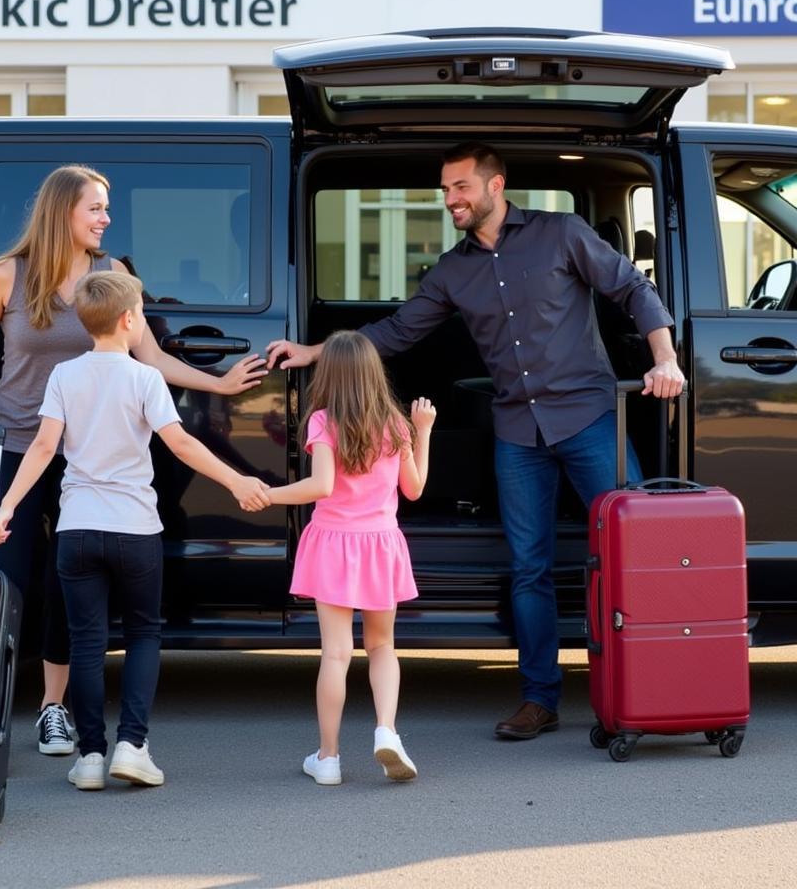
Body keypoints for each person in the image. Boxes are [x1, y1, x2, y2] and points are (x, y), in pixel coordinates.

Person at [266, 143, 685, 742]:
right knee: (528, 568)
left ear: (496, 186)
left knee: (631, 555)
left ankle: (648, 689)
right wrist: (315, 352)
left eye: (460, 187)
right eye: (444, 190)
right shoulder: (452, 270)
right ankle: (540, 699)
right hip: (516, 429)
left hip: (591, 418)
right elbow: (399, 329)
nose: (450, 200)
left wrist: (663, 358)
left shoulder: (561, 233)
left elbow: (632, 290)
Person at [0, 164, 267, 756]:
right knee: (7, 580)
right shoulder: (8, 276)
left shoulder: (112, 274)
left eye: (105, 208)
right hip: (17, 445)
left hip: (82, 457)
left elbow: (146, 355)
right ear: (62, 212)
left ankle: (52, 707)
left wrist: (217, 386)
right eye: (95, 208)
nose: (106, 218)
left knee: (63, 584)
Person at [0, 270, 270, 790]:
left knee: (87, 642)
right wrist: (236, 480)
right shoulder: (145, 379)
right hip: (135, 530)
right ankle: (132, 746)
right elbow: (181, 445)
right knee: (142, 633)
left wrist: (5, 508)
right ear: (130, 319)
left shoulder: (64, 377)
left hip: (77, 531)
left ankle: (90, 756)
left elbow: (43, 450)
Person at [262, 330, 435, 785]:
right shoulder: (396, 425)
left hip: (335, 545)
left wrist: (268, 494)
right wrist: (423, 432)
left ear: (331, 377)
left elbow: (319, 487)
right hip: (380, 545)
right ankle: (387, 731)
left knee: (336, 654)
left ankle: (329, 758)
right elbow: (414, 490)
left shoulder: (323, 422)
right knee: (382, 647)